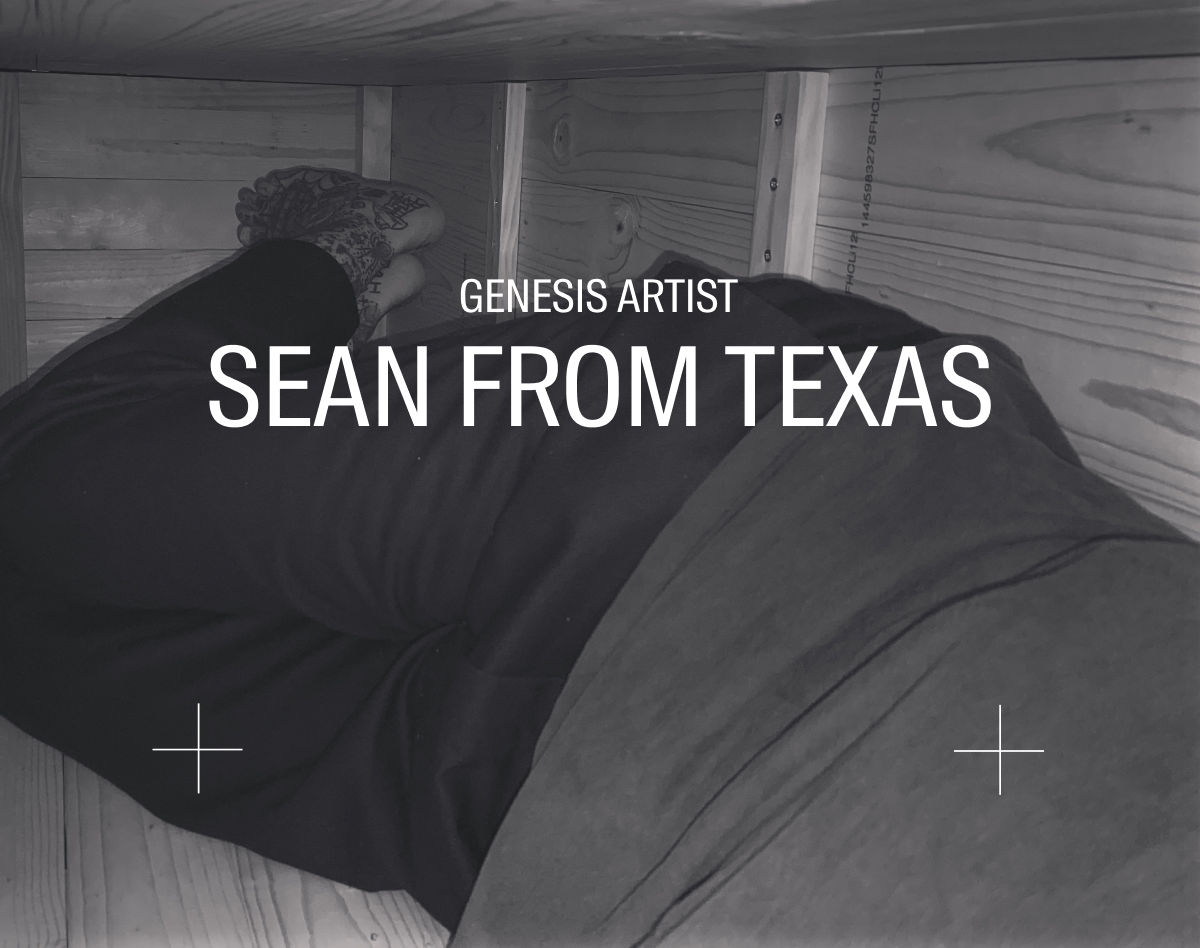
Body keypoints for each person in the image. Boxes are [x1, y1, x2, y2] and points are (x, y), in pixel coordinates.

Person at [0, 167, 939, 930]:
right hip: (747, 493)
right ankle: (323, 261)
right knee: (45, 490)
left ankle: (312, 291)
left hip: (555, 789)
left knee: (27, 601)